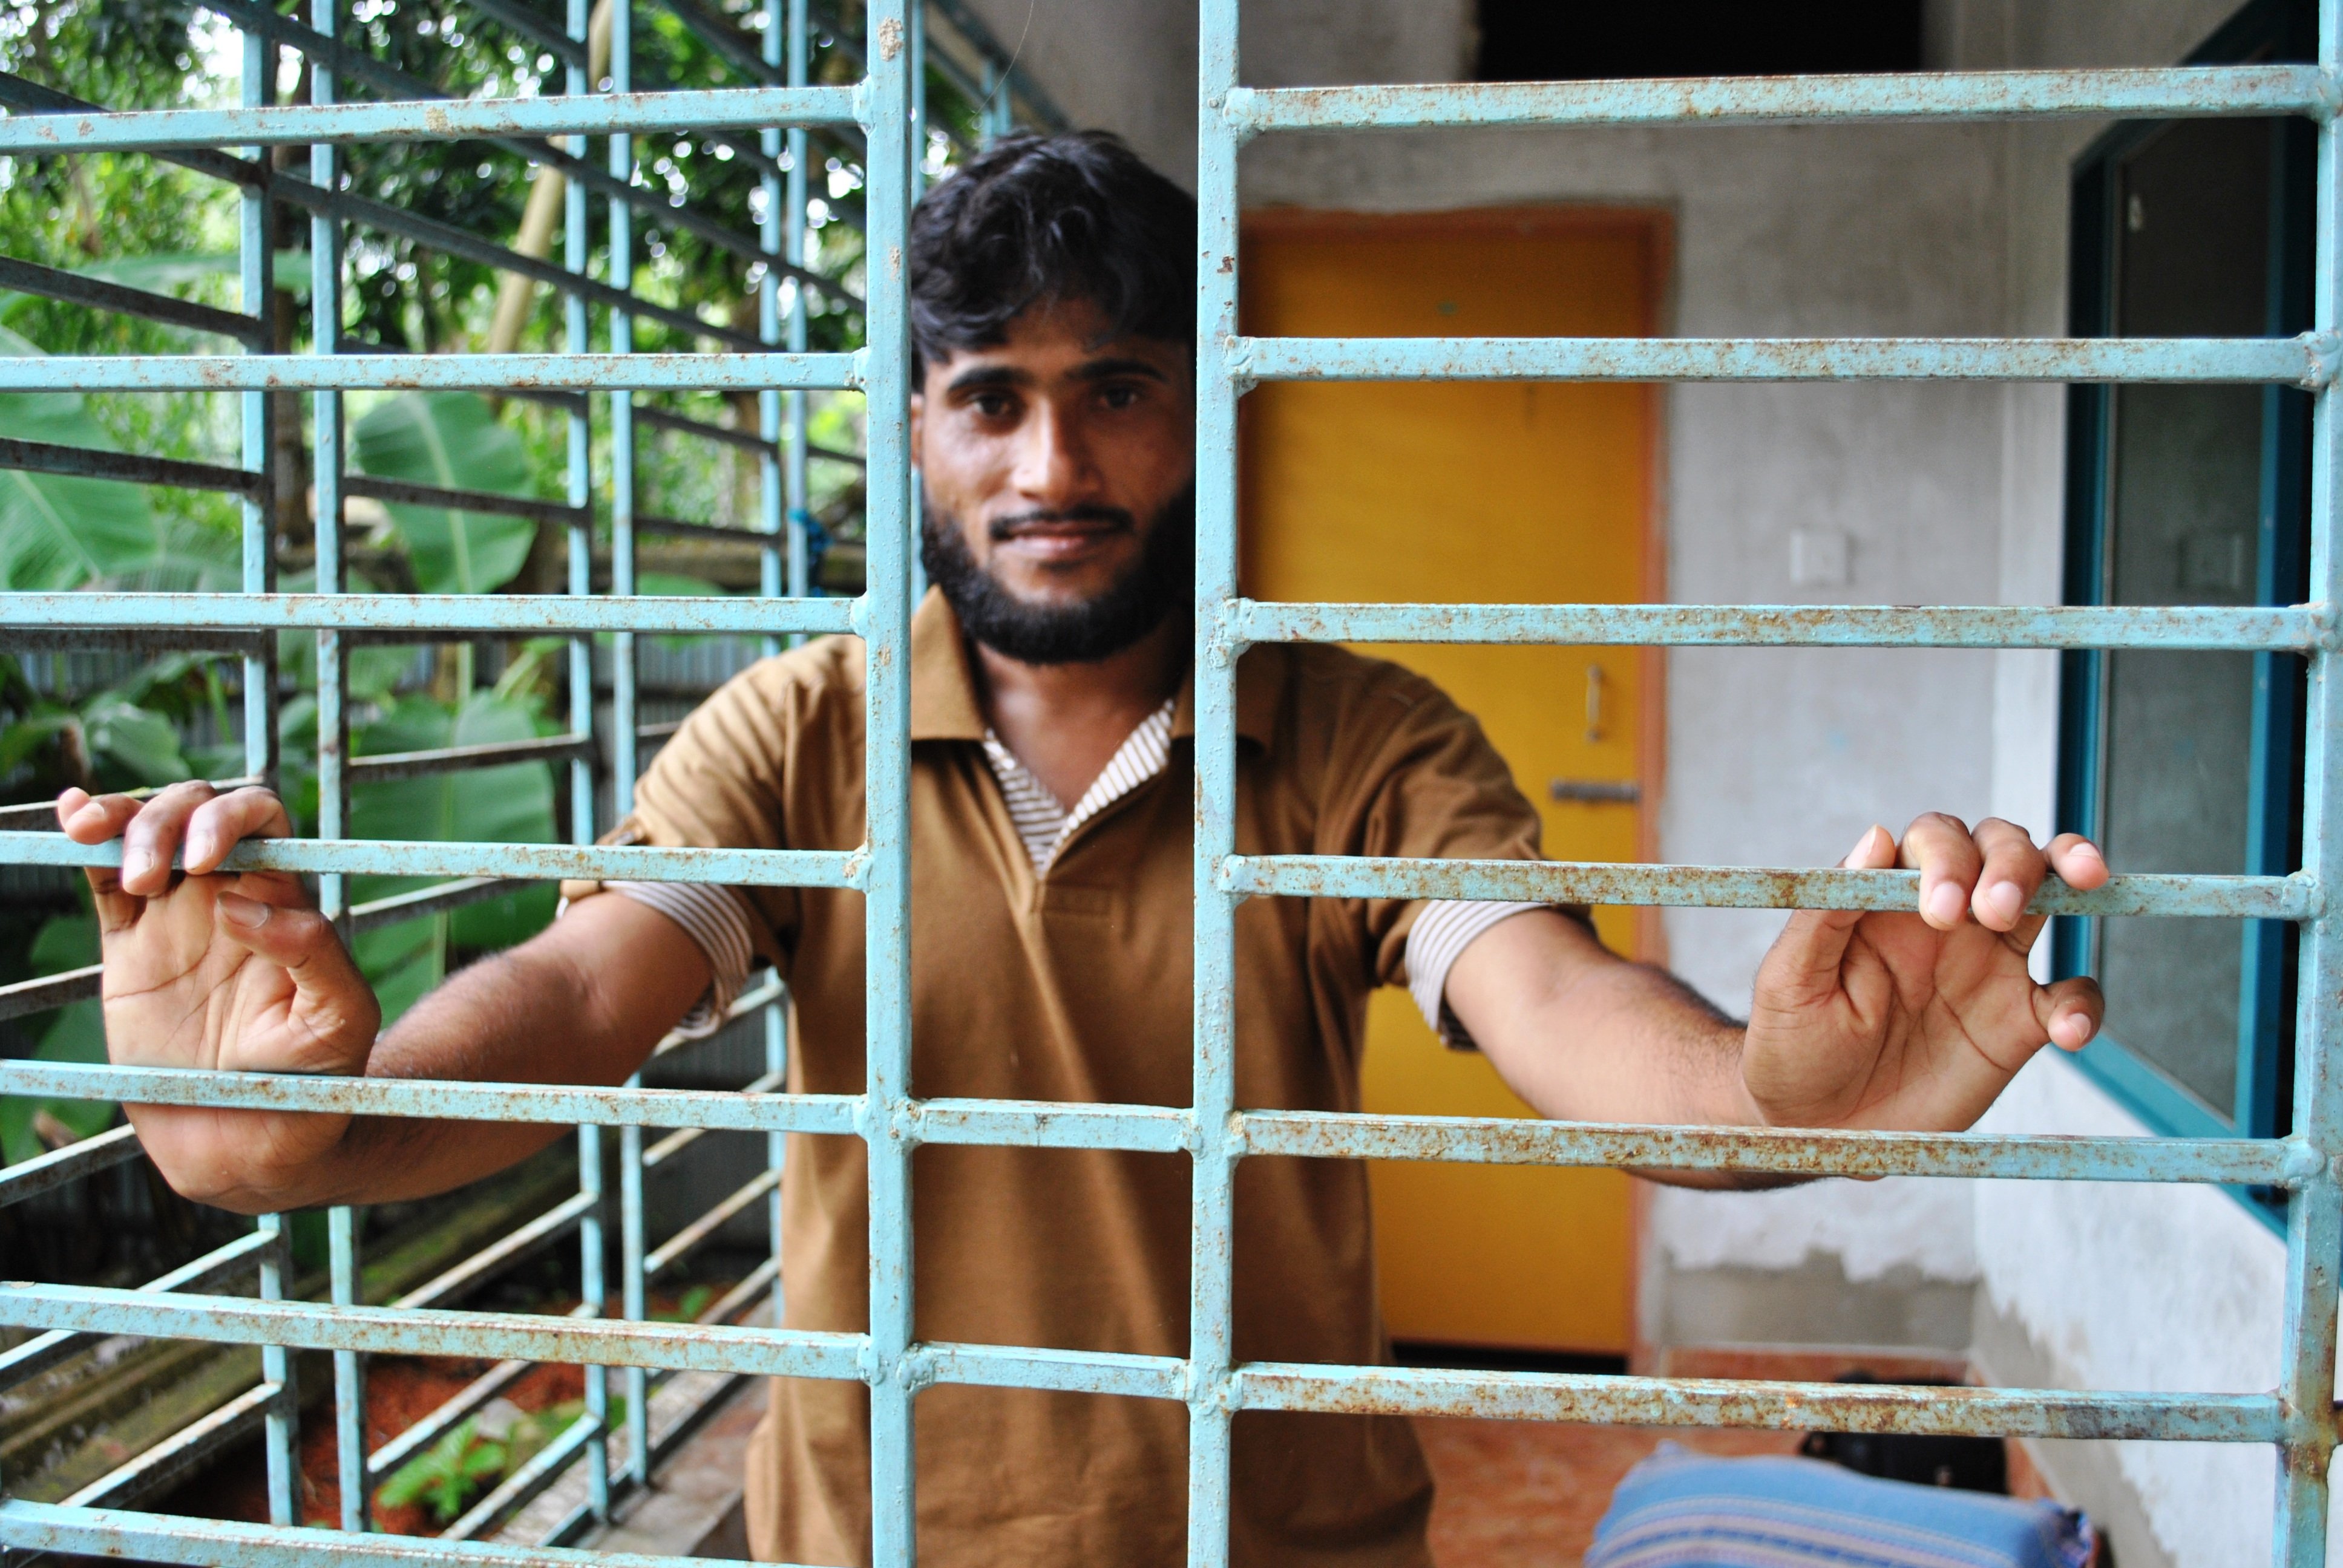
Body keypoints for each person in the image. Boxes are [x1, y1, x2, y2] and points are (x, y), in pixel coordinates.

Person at [54, 132, 2107, 1568]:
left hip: (1276, 1547)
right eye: (993, 400)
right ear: (920, 435)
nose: (1055, 465)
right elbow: (587, 996)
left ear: (1202, 415)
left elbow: (1555, 998)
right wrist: (315, 1135)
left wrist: (1769, 1102)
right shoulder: (807, 730)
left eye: (1117, 389)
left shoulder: (1353, 739)